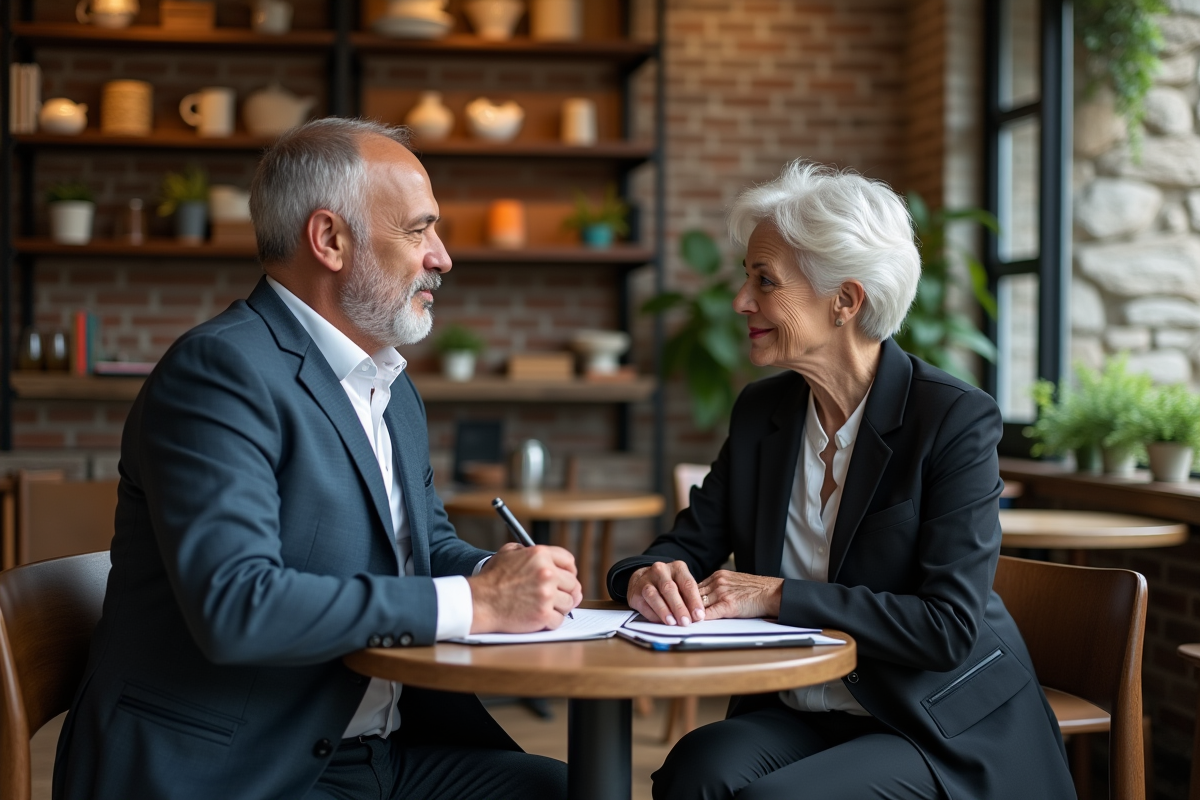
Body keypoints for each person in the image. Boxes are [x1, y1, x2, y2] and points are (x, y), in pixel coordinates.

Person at [53, 118, 580, 800]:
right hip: (239, 767)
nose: (442, 257)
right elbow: (236, 603)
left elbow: (423, 543)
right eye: (420, 230)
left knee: (568, 789)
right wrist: (475, 603)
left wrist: (494, 570)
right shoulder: (219, 372)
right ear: (330, 239)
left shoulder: (390, 388)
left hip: (383, 749)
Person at [606, 161, 1075, 800]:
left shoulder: (953, 418)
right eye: (747, 277)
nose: (742, 301)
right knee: (696, 769)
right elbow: (687, 545)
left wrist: (776, 595)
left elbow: (946, 628)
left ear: (845, 300)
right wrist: (640, 576)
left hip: (933, 724)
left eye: (764, 281)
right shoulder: (762, 413)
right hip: (804, 711)